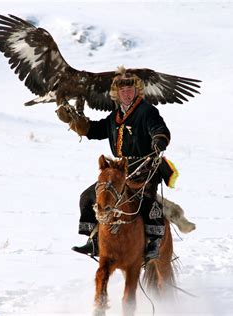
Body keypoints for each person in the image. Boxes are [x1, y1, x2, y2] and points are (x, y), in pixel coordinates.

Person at [56, 67, 175, 262]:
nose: (127, 94)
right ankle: (94, 240)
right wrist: (76, 122)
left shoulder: (147, 111)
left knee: (147, 201)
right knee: (87, 197)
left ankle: (154, 241)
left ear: (136, 91)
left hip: (145, 167)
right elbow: (96, 130)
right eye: (123, 91)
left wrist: (158, 140)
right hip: (119, 171)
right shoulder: (115, 116)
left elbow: (159, 129)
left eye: (130, 90)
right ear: (116, 94)